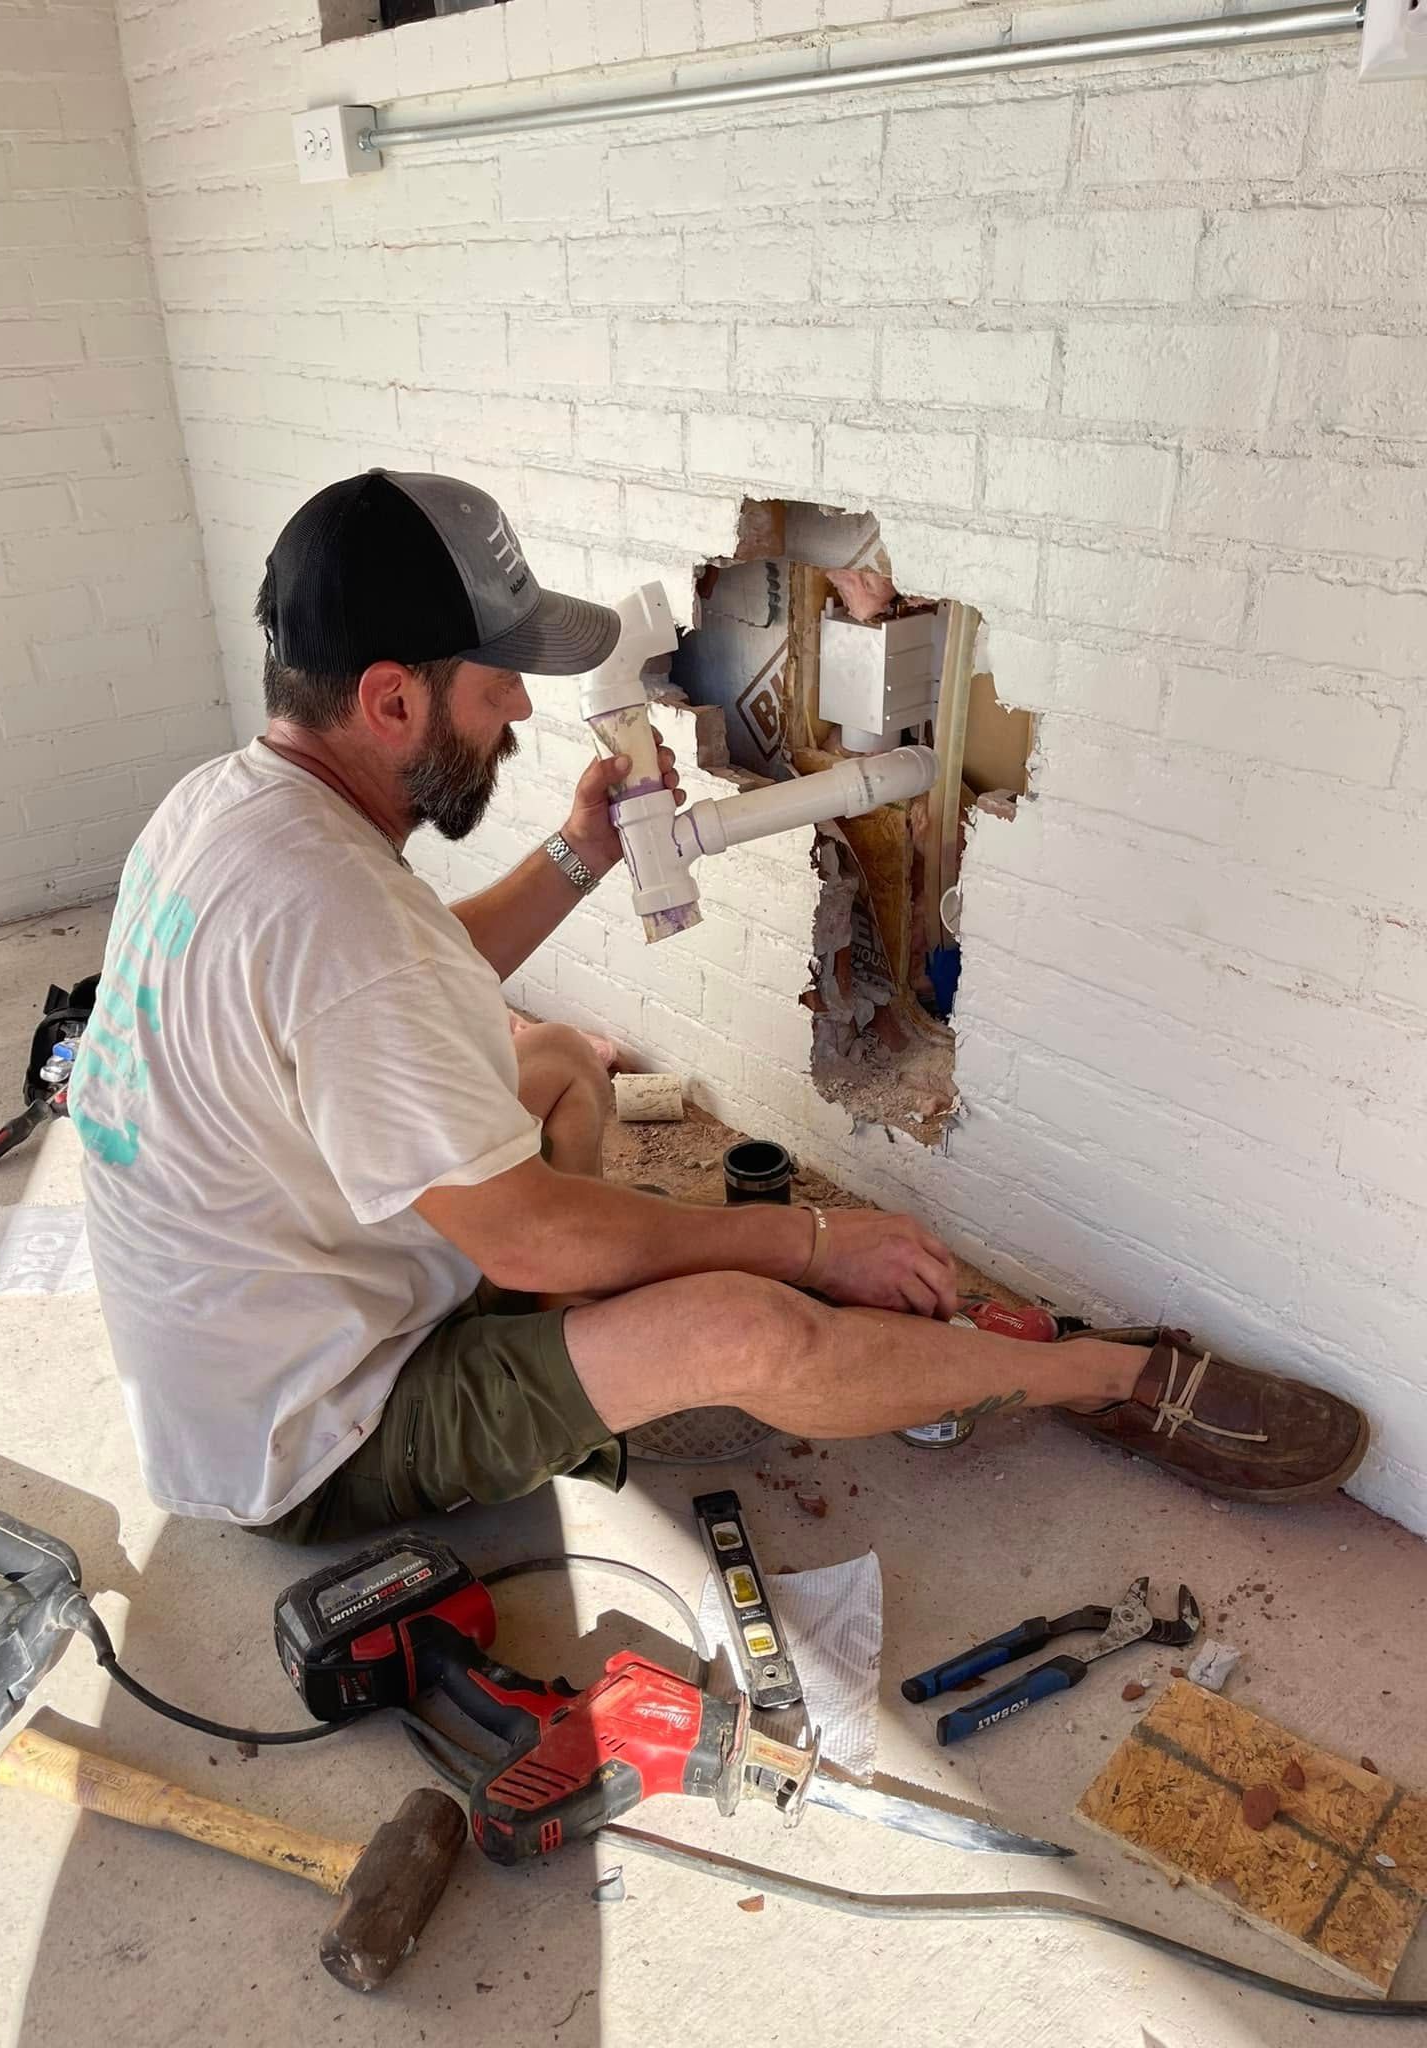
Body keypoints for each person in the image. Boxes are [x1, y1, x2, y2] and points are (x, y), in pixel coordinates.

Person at [71, 471, 1369, 1541]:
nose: (521, 707)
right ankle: (1107, 1376)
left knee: (564, 1064)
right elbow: (521, 1231)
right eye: (494, 681)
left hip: (259, 1331)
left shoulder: (234, 809)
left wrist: (584, 853)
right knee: (746, 1324)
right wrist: (808, 1246)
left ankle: (574, 1366)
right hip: (312, 1433)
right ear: (391, 698)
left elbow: (409, 989)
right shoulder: (341, 919)